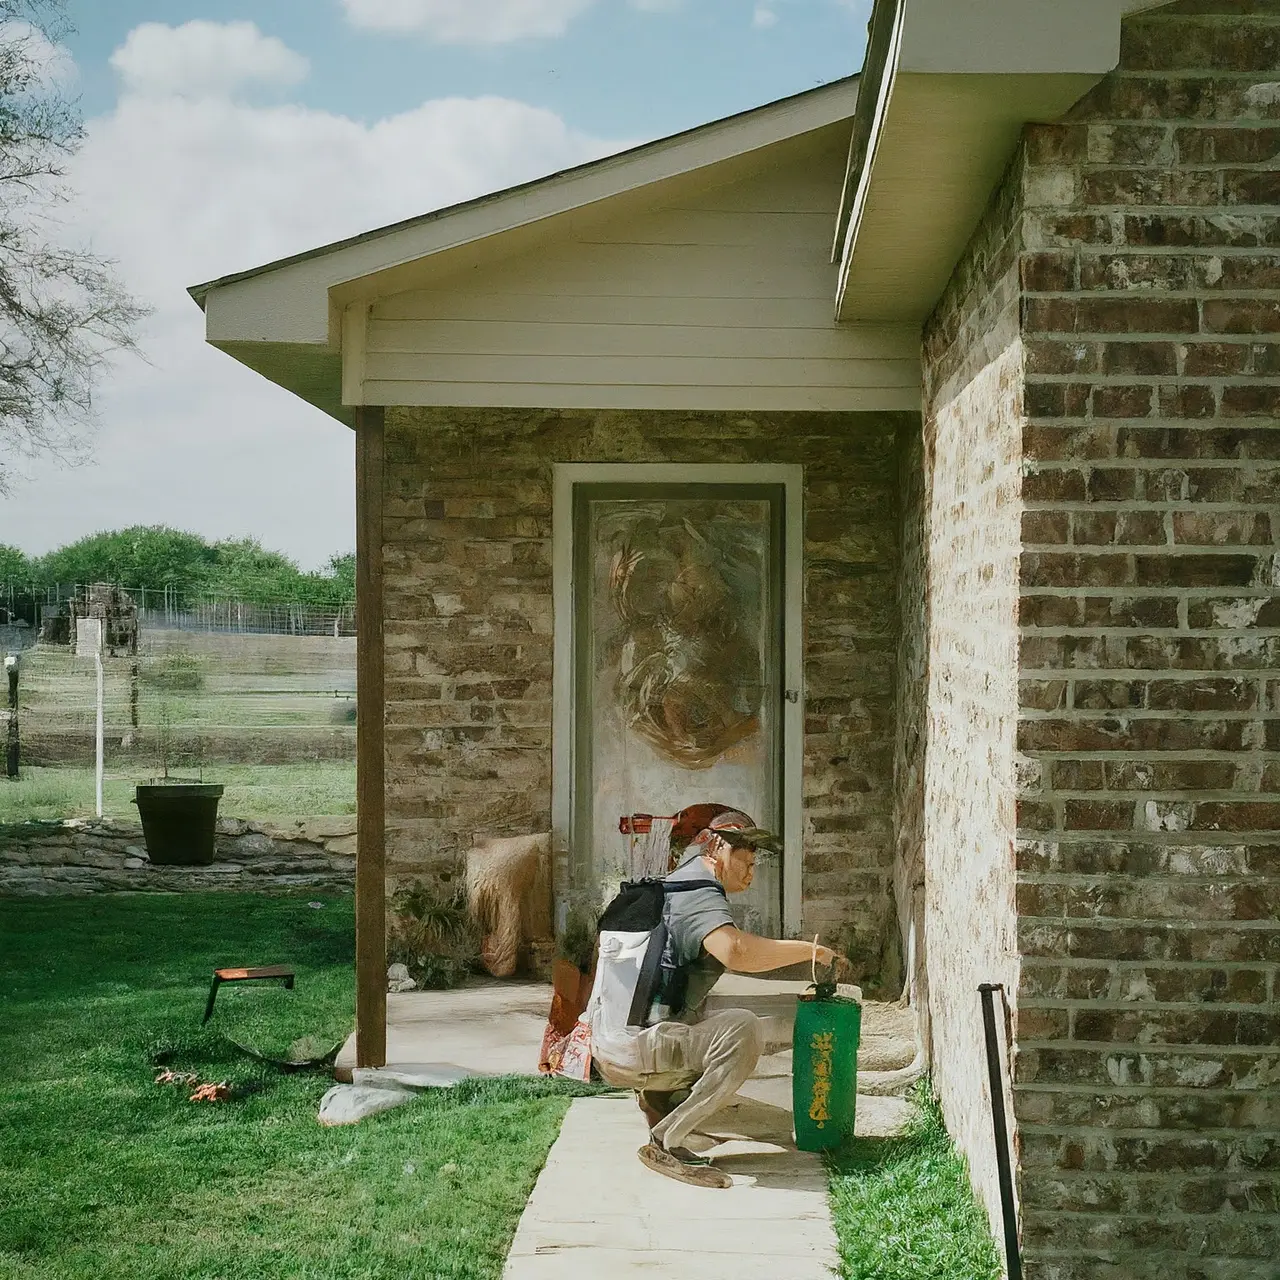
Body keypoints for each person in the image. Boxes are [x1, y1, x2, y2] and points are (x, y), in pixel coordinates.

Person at [590, 805, 846, 1189]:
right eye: (746, 857)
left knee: (710, 1010)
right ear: (716, 849)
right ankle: (666, 1141)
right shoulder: (698, 890)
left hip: (613, 1047)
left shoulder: (672, 885)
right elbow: (737, 951)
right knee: (742, 1030)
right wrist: (813, 951)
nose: (751, 870)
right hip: (635, 1050)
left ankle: (659, 1103)